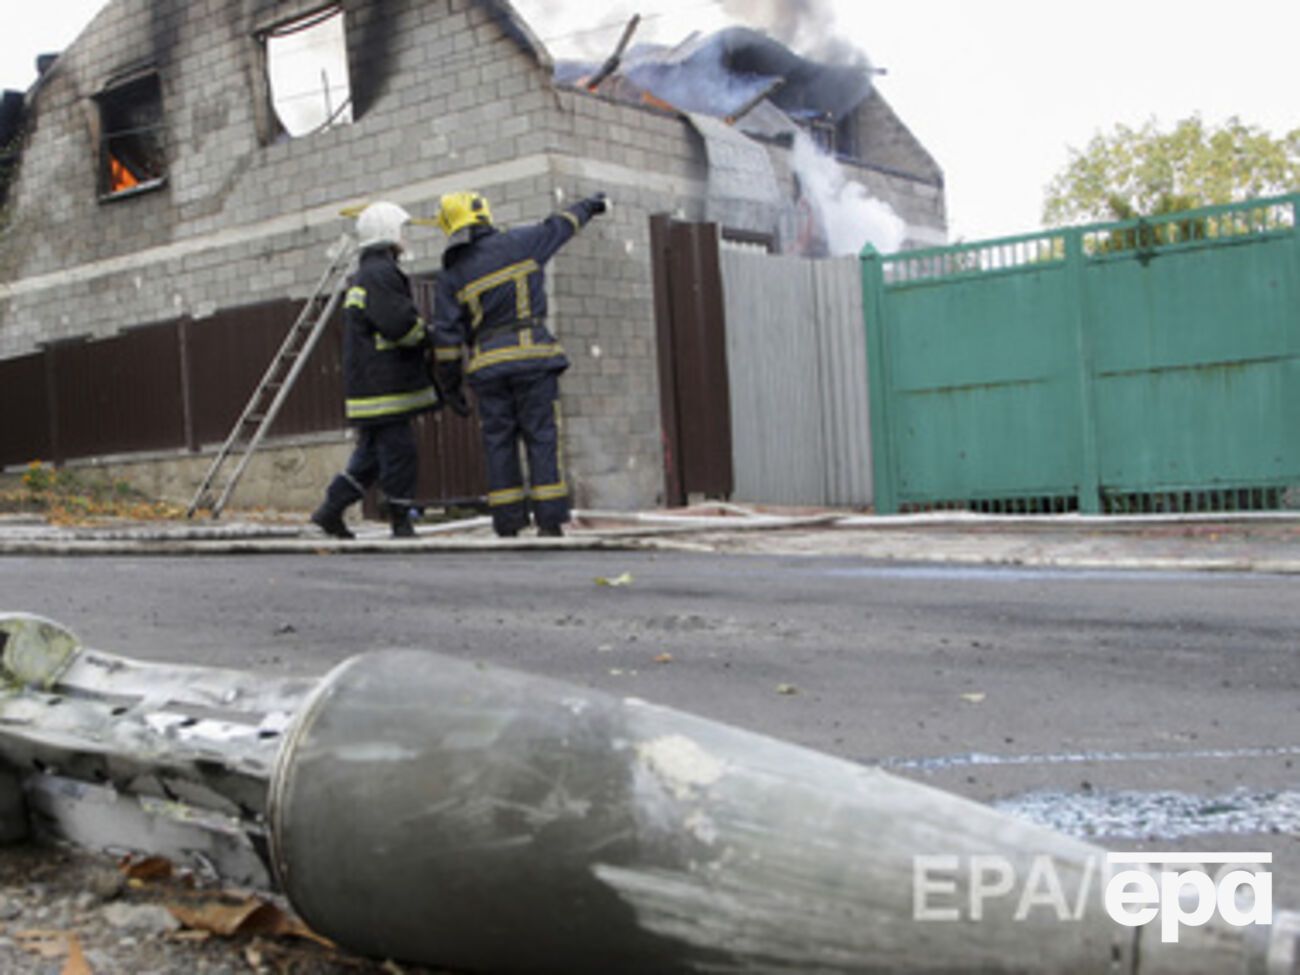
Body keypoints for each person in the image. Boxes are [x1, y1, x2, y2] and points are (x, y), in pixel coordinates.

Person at [430, 190, 608, 538]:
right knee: (541, 437)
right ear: (485, 214)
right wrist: (592, 204)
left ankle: (508, 524)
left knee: (499, 442)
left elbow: (447, 343)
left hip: (488, 370)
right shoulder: (524, 242)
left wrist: (450, 389)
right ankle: (550, 522)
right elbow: (563, 224)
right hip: (533, 361)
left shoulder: (452, 275)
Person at [311, 201, 439, 539]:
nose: (406, 237)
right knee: (400, 452)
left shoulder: (365, 273)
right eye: (402, 230)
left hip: (369, 384)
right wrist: (429, 336)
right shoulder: (382, 273)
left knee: (369, 456)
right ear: (389, 232)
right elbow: (399, 325)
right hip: (386, 385)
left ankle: (330, 510)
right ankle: (401, 519)